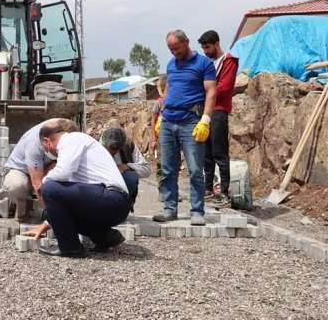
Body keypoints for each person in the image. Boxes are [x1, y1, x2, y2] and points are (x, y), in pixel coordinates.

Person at [29, 119, 129, 257]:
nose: (46, 151)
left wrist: (43, 182)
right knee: (51, 211)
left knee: (50, 188)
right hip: (112, 203)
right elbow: (65, 200)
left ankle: (69, 248)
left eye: (44, 147)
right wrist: (48, 220)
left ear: (47, 141)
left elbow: (62, 173)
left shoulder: (71, 139)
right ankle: (106, 237)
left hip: (112, 198)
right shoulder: (76, 146)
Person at [154, 30, 216, 226]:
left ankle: (197, 211)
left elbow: (211, 91)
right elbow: (170, 88)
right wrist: (161, 113)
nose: (174, 52)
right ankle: (169, 208)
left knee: (195, 169)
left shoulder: (204, 64)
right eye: (171, 49)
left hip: (191, 121)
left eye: (177, 48)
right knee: (167, 169)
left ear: (187, 42)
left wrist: (205, 119)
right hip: (168, 120)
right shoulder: (171, 64)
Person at [3, 118, 79, 221]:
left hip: (46, 165)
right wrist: (51, 216)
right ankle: (22, 211)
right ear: (46, 141)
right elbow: (37, 183)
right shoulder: (34, 143)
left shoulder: (68, 131)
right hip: (21, 170)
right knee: (17, 185)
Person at [198, 30, 238, 206]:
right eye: (203, 48)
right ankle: (207, 188)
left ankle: (224, 191)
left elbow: (224, 87)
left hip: (219, 110)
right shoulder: (207, 63)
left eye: (207, 47)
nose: (206, 51)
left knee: (219, 152)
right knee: (206, 153)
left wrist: (205, 91)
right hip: (205, 111)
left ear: (216, 44)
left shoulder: (228, 61)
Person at [100, 125, 151, 211]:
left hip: (120, 188)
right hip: (100, 186)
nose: (113, 153)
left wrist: (128, 166)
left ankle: (122, 207)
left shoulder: (128, 144)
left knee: (131, 177)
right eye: (110, 150)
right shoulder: (94, 146)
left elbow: (146, 170)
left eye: (116, 150)